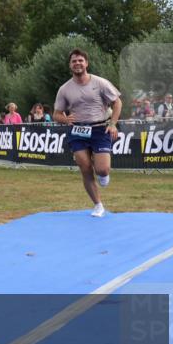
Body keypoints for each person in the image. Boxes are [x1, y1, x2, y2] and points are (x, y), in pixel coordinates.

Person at [52, 48, 122, 218]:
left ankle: (103, 175)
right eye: (74, 61)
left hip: (100, 128)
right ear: (70, 65)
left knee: (103, 169)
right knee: (84, 167)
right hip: (78, 130)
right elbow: (56, 114)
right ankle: (98, 205)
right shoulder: (65, 89)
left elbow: (117, 102)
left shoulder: (100, 83)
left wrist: (113, 124)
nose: (77, 63)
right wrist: (65, 120)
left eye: (80, 60)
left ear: (86, 63)